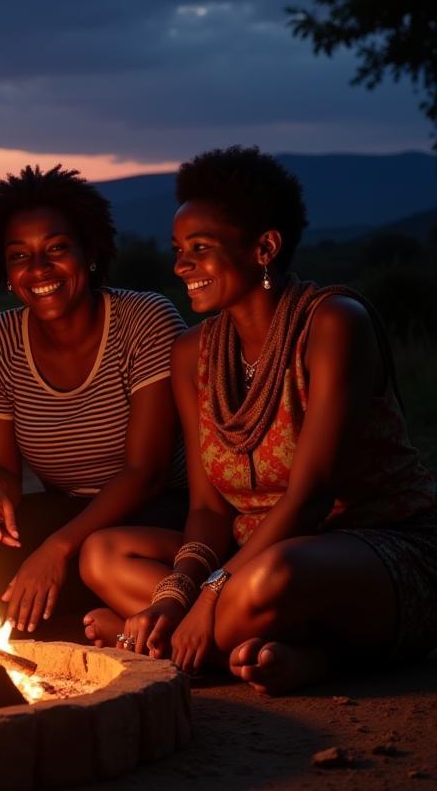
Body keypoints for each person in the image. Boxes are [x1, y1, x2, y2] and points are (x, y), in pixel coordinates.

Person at [80, 146, 437, 694]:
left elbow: (310, 498)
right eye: (178, 250)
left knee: (278, 575)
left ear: (264, 247)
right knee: (102, 554)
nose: (180, 266)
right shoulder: (191, 354)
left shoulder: (334, 324)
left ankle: (169, 647)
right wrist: (180, 595)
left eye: (200, 249)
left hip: (371, 545)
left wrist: (212, 595)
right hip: (248, 553)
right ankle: (269, 651)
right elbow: (206, 508)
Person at [0, 164, 187, 637]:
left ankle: (130, 619)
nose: (39, 270)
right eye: (20, 256)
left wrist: (56, 550)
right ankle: (107, 622)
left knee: (86, 553)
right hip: (70, 512)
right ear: (5, 269)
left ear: (90, 252)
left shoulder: (143, 320)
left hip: (160, 509)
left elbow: (147, 471)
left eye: (57, 249)